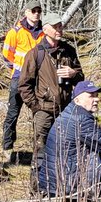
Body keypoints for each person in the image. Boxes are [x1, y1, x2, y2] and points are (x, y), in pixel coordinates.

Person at [18, 11, 83, 189]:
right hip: (44, 111)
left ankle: (63, 185)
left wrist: (73, 73)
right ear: (45, 29)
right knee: (40, 150)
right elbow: (24, 85)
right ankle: (37, 188)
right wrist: (36, 107)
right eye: (55, 27)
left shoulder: (69, 51)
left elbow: (81, 79)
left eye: (60, 26)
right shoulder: (35, 54)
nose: (59, 29)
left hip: (66, 110)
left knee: (65, 148)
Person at [1, 5, 44, 165]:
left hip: (39, 80)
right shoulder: (16, 32)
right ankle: (7, 149)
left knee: (39, 114)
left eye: (39, 11)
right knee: (12, 114)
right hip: (18, 79)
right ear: (26, 13)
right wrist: (20, 70)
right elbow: (7, 55)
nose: (36, 14)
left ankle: (39, 151)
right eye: (33, 11)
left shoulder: (43, 32)